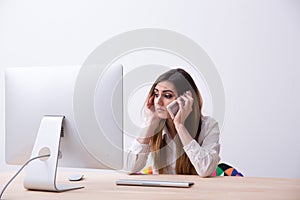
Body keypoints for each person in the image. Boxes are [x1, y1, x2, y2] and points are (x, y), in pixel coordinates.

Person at [125, 68, 220, 177]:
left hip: (196, 192)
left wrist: (179, 126)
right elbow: (129, 168)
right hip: (163, 192)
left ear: (186, 99)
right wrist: (150, 123)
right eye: (156, 95)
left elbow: (205, 170)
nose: (158, 102)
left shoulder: (208, 126)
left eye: (167, 96)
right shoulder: (154, 124)